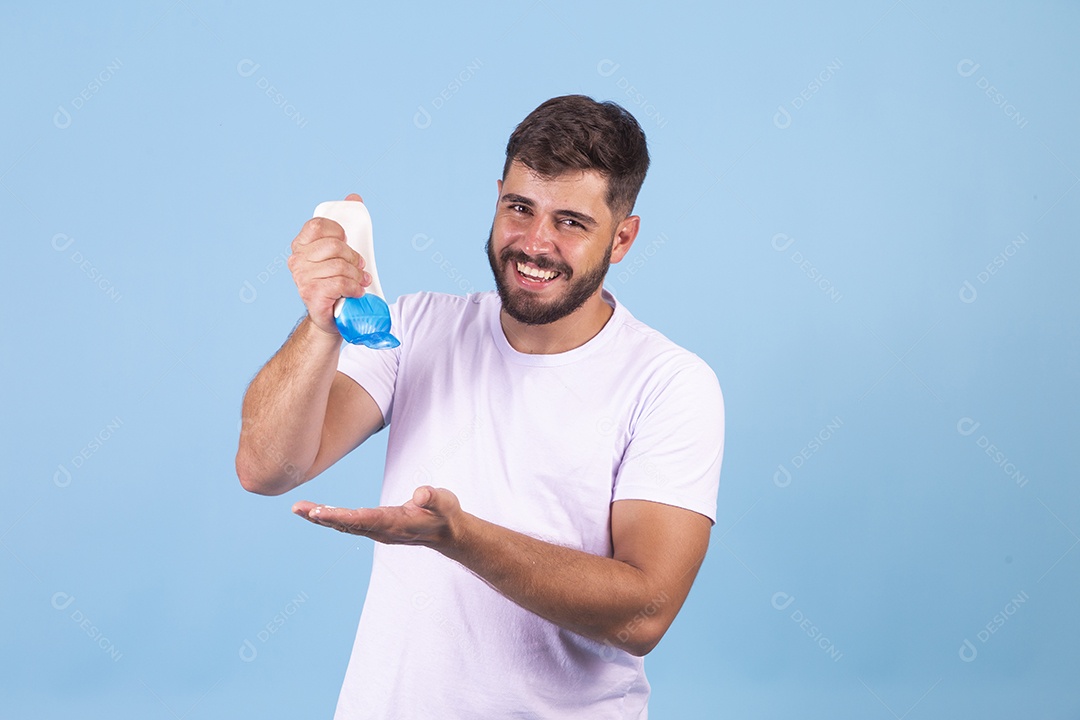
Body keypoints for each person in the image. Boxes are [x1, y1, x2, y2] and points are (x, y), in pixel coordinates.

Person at [236, 94, 725, 719]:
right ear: (497, 197)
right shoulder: (412, 328)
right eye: (519, 208)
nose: (535, 243)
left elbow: (644, 612)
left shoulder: (670, 384)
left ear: (622, 237)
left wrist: (457, 537)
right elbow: (266, 468)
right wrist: (322, 323)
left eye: (571, 222)